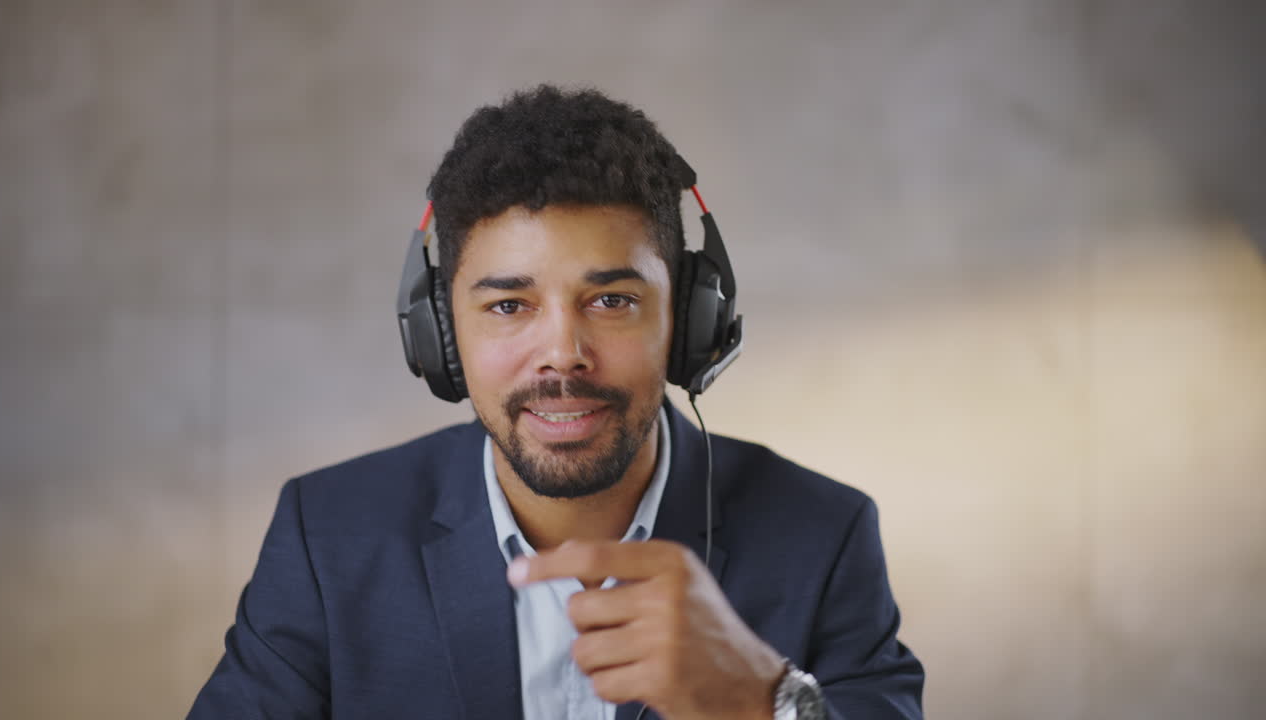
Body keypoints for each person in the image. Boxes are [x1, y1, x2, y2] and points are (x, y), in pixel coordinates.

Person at [188, 85, 924, 720]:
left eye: (611, 299)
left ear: (688, 323)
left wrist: (762, 701)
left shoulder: (823, 535)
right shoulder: (330, 537)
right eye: (509, 305)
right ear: (439, 335)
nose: (562, 353)